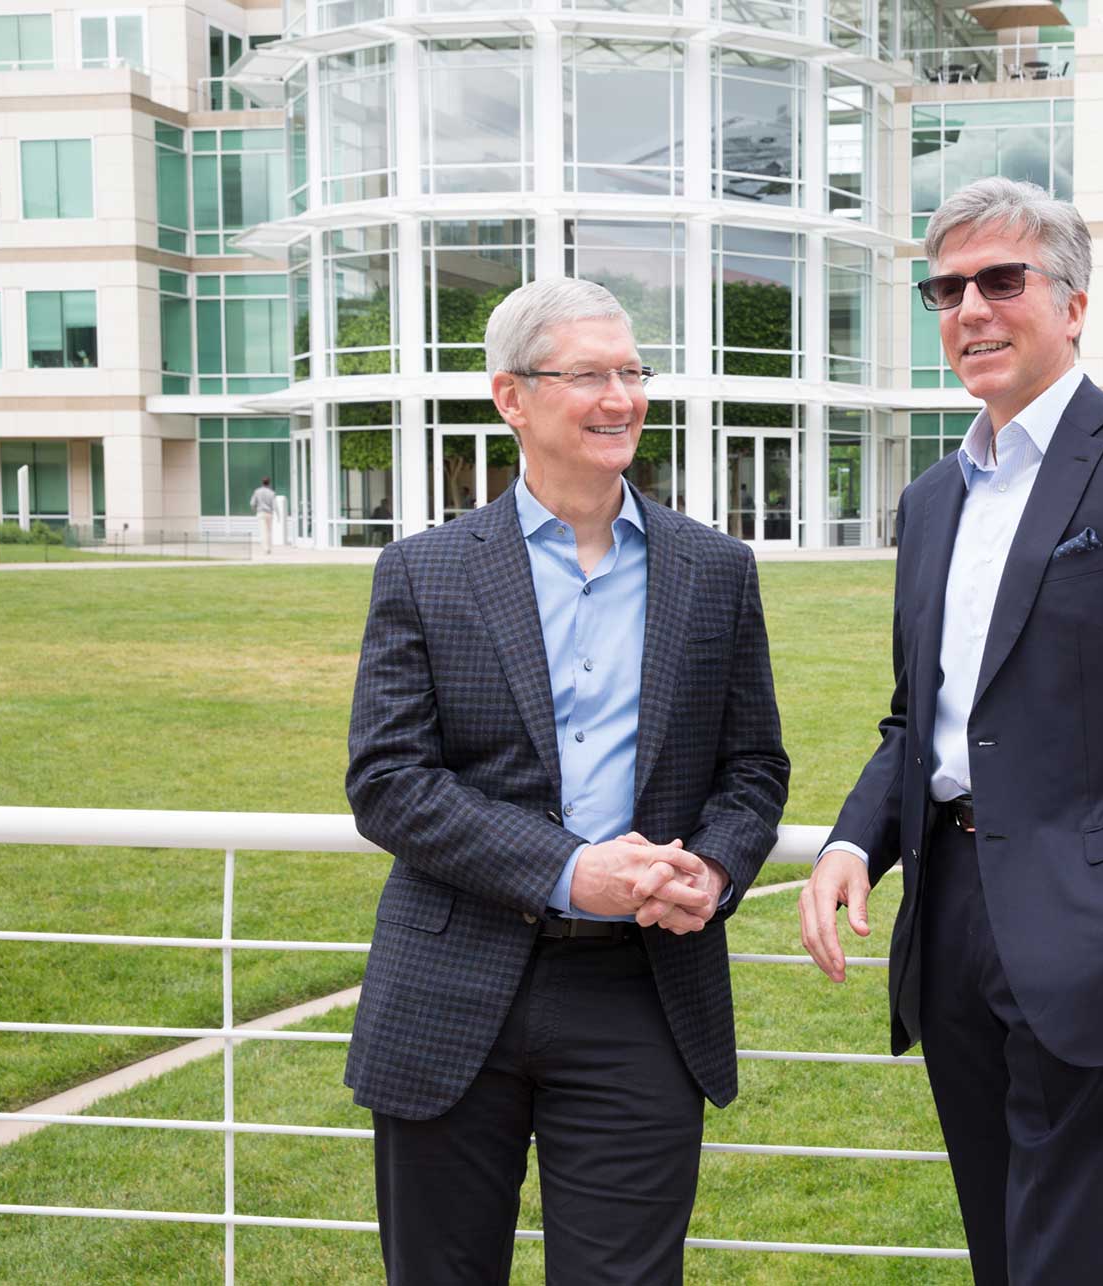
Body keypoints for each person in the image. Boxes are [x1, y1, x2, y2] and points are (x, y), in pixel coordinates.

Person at [798, 177, 1103, 1284]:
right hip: (953, 916)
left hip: (1102, 926)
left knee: (1085, 1257)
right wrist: (847, 841)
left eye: (1001, 280)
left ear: (1071, 303)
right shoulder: (933, 499)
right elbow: (918, 717)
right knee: (1003, 1248)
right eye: (946, 288)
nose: (971, 308)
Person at [345, 277, 789, 1284]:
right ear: (513, 397)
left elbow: (754, 765)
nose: (621, 397)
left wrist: (714, 871)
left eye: (632, 371)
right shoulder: (424, 570)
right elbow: (388, 779)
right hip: (452, 988)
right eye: (589, 374)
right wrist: (566, 867)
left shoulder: (714, 568)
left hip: (642, 994)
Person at [250, 477, 276, 554]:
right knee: (269, 531)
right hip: (269, 514)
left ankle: (266, 548)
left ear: (262, 483)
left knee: (263, 531)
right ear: (269, 483)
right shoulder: (272, 493)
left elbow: (252, 503)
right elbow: (274, 505)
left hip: (261, 513)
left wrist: (254, 509)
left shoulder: (257, 491)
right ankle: (269, 547)